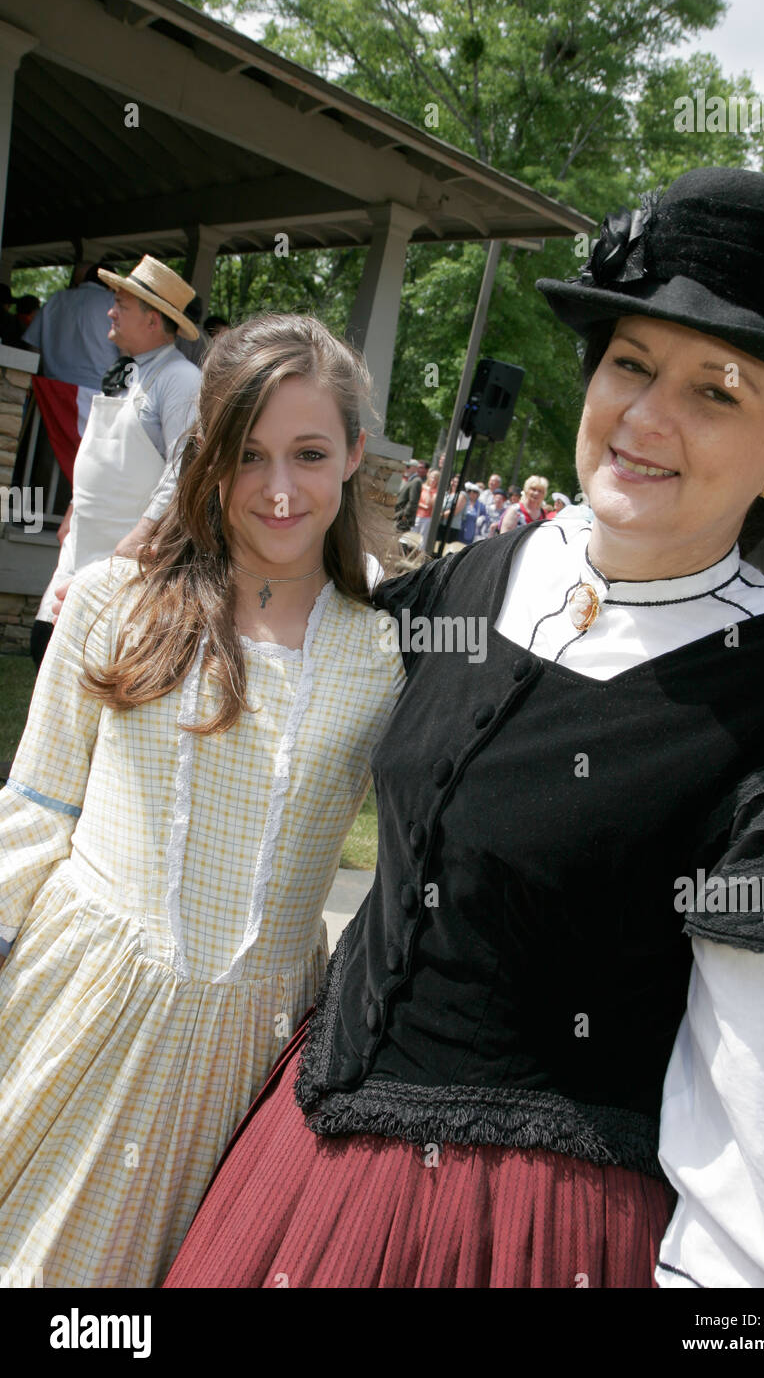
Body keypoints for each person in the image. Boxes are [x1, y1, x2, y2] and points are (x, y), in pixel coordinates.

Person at [164, 167, 764, 1291]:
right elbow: (263, 667)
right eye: (630, 364)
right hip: (294, 1171)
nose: (645, 417)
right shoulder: (467, 581)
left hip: (524, 1238)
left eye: (717, 391)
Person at [0, 312, 403, 1286]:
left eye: (308, 453)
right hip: (77, 1006)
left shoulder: (392, 650)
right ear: (207, 456)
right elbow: (37, 806)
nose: (277, 488)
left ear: (352, 453)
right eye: (247, 453)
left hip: (257, 1055)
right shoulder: (113, 599)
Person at [30, 256, 202, 668]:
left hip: (123, 556)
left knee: (87, 666)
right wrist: (73, 507)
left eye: (121, 305)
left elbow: (184, 469)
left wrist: (139, 538)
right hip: (81, 543)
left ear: (153, 321)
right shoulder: (125, 371)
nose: (110, 311)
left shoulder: (180, 380)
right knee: (44, 641)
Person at [393, 458, 428, 532]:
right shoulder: (412, 479)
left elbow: (413, 502)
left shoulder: (416, 481)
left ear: (415, 468)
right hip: (401, 516)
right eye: (406, 466)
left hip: (405, 519)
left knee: (400, 541)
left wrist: (404, 516)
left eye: (408, 467)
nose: (406, 468)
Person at [435, 474, 467, 547]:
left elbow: (454, 511)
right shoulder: (447, 493)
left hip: (451, 527)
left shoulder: (462, 495)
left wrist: (440, 515)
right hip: (441, 524)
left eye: (457, 482)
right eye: (453, 481)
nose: (454, 483)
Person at [412, 467, 440, 534]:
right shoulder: (421, 486)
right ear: (429, 477)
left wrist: (428, 490)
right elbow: (414, 500)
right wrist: (422, 506)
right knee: (412, 537)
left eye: (436, 479)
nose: (433, 480)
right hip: (416, 515)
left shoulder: (436, 492)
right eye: (432, 477)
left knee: (422, 541)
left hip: (427, 519)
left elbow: (428, 504)